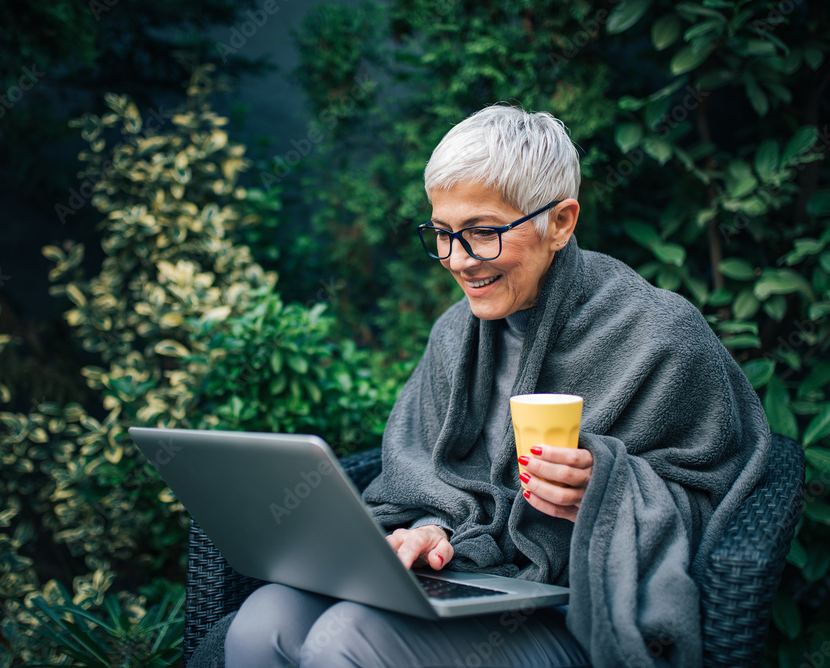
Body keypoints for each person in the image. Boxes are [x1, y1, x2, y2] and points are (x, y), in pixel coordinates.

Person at [224, 104, 770, 667]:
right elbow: (420, 480)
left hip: (575, 611)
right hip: (465, 579)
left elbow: (721, 499)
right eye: (441, 233)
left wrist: (604, 491)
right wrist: (431, 530)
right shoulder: (453, 334)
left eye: (483, 232)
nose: (458, 261)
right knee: (264, 619)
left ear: (560, 222)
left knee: (347, 635)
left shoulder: (660, 334)